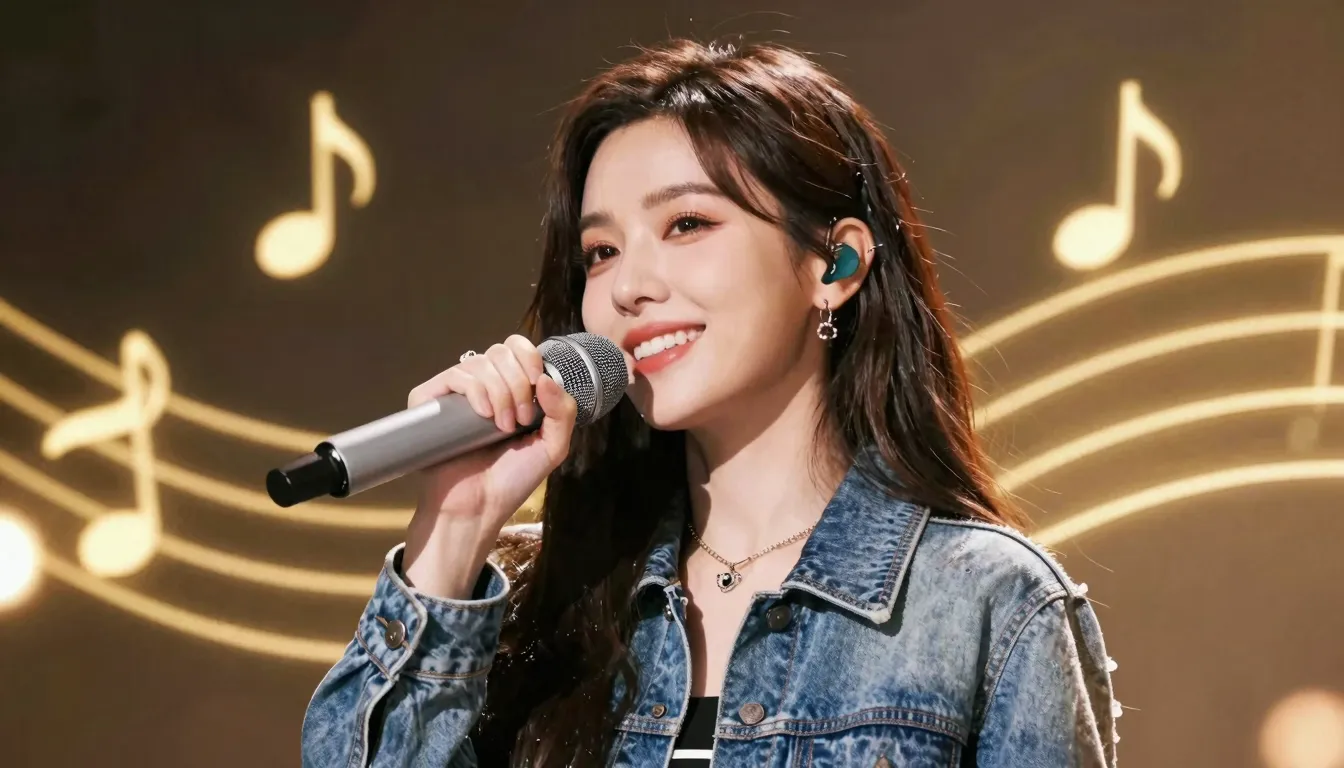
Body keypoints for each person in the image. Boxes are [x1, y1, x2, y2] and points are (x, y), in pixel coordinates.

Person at [301, 39, 1120, 768]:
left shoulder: (985, 604)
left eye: (687, 223)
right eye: (601, 251)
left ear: (835, 265)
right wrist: (454, 527)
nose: (629, 285)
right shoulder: (536, 600)